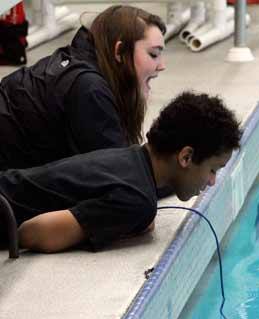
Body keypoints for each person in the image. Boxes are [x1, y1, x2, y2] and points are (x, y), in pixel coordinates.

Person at [0, 91, 242, 253]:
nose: (211, 182)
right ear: (185, 156)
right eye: (213, 170)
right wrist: (123, 224)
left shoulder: (130, 160)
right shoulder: (137, 200)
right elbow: (32, 233)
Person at [0, 5, 166, 170]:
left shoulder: (78, 60)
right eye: (153, 54)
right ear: (120, 51)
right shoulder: (90, 89)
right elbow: (118, 176)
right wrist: (174, 172)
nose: (162, 65)